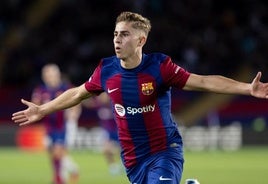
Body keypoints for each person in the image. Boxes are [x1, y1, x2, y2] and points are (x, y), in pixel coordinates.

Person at [12, 12, 268, 184]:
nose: (117, 39)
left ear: (141, 40)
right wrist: (43, 109)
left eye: (124, 34)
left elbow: (203, 81)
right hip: (133, 160)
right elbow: (78, 93)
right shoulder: (106, 69)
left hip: (165, 151)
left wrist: (247, 89)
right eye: (115, 34)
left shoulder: (160, 66)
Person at [31, 63, 81, 184]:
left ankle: (59, 179)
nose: (51, 76)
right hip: (49, 126)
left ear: (58, 74)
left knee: (59, 151)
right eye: (48, 74)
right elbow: (35, 106)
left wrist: (74, 114)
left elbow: (77, 101)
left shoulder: (66, 88)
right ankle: (72, 170)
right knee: (53, 154)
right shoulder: (40, 90)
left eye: (53, 73)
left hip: (63, 126)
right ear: (44, 76)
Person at [84, 92, 122, 175]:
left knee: (122, 151)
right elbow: (88, 103)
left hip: (118, 131)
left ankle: (123, 165)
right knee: (106, 149)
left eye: (104, 96)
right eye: (100, 96)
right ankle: (113, 167)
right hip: (107, 132)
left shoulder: (115, 105)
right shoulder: (99, 105)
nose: (101, 98)